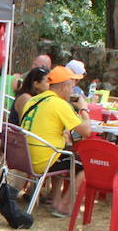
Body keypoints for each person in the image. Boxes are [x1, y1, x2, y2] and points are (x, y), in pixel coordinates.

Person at [19, 66, 91, 216]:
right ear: (65, 86)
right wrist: (84, 109)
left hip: (23, 157)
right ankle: (64, 206)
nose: (73, 90)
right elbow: (86, 131)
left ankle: (55, 197)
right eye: (72, 86)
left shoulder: (34, 99)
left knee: (65, 152)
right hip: (42, 161)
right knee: (87, 165)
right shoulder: (60, 104)